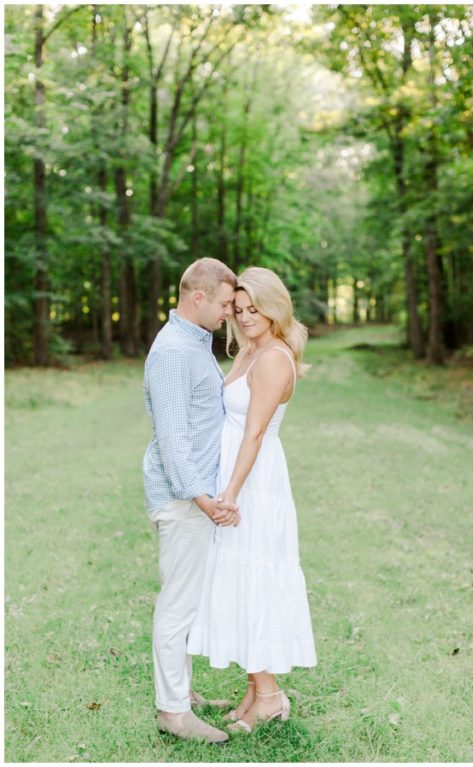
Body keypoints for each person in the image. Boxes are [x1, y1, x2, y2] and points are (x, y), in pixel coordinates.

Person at [187, 266, 317, 734]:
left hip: (254, 483)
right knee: (238, 580)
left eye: (253, 310)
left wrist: (231, 492)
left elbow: (256, 432)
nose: (243, 318)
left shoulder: (274, 358)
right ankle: (254, 691)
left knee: (253, 580)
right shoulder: (248, 350)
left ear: (274, 308)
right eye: (238, 310)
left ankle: (269, 696)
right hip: (235, 472)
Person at [143, 257, 240, 743]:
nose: (229, 312)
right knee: (177, 604)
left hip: (194, 494)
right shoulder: (174, 352)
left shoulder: (194, 343)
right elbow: (172, 439)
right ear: (197, 297)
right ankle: (173, 712)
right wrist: (203, 499)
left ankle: (182, 692)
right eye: (224, 303)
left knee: (186, 599)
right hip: (182, 497)